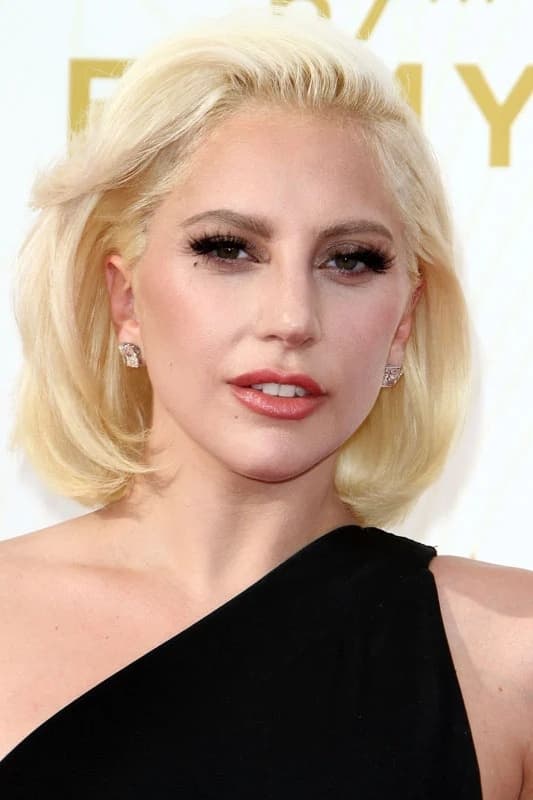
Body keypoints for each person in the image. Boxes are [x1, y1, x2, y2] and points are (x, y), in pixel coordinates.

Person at [0, 7, 531, 798]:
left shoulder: (512, 660)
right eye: (228, 249)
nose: (291, 318)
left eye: (349, 260)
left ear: (402, 324)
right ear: (125, 299)